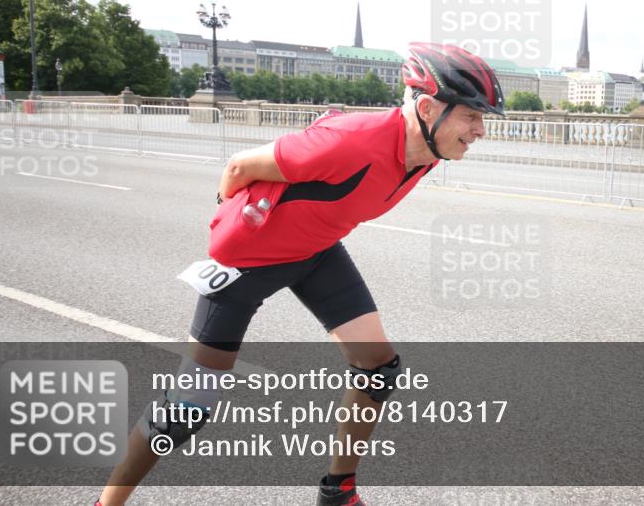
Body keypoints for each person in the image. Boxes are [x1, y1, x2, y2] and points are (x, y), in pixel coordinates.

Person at [97, 42, 505, 506]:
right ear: (428, 108)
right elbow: (239, 167)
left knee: (378, 369)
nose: (480, 130)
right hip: (248, 261)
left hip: (316, 252)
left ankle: (337, 493)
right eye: (471, 116)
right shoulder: (350, 141)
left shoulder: (427, 154)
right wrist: (232, 219)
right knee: (187, 410)